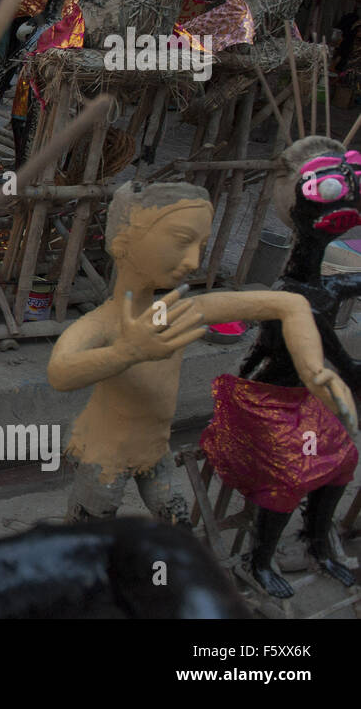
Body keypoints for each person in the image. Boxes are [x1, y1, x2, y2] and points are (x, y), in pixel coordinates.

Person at [47, 181, 350, 527]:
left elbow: (289, 303)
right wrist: (125, 351)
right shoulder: (105, 322)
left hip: (155, 450)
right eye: (181, 241)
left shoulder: (172, 313)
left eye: (201, 246)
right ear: (124, 242)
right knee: (91, 532)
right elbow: (60, 371)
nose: (193, 261)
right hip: (105, 456)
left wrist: (313, 370)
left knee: (179, 523)